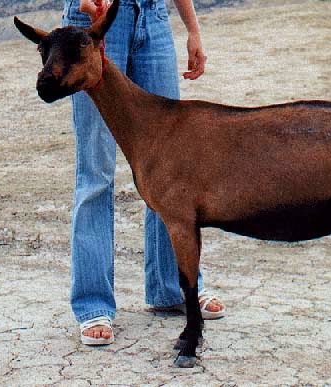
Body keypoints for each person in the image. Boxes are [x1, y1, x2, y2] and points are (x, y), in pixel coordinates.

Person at [62, 0, 225, 345]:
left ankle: (173, 288)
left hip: (152, 17)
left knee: (170, 167)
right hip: (95, 25)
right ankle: (93, 303)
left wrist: (193, 28)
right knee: (97, 170)